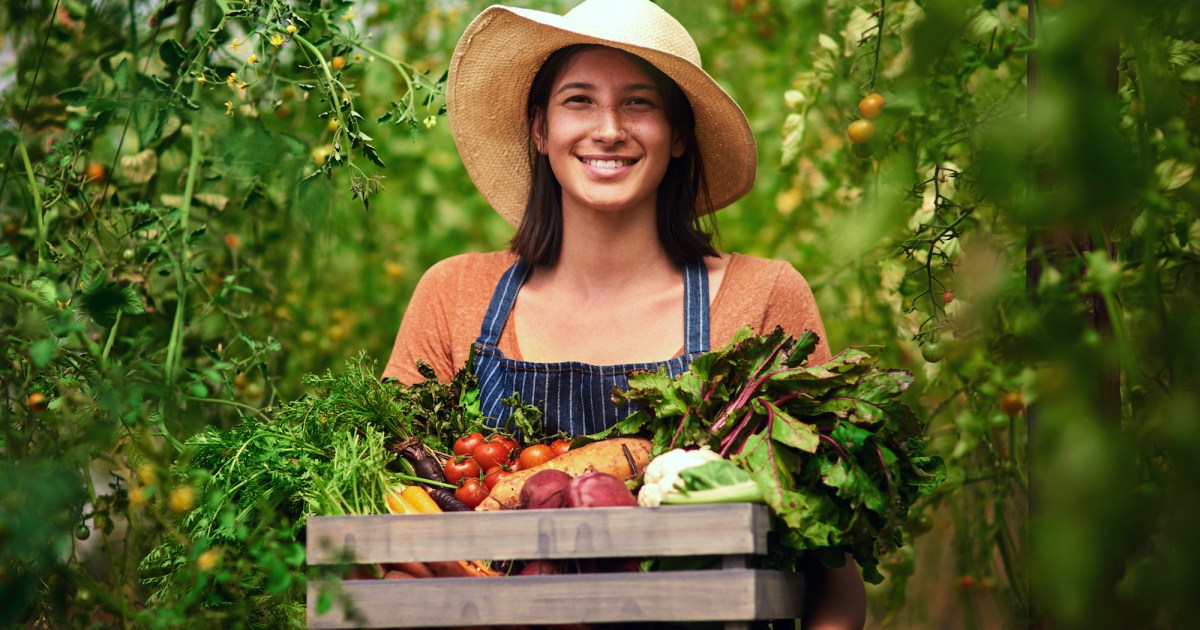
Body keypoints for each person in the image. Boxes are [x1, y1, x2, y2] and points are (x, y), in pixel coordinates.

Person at [383, 0, 866, 626]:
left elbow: (832, 574)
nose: (608, 129)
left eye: (639, 102)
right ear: (540, 129)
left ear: (680, 134)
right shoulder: (455, 294)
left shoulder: (763, 298)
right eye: (579, 100)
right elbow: (389, 518)